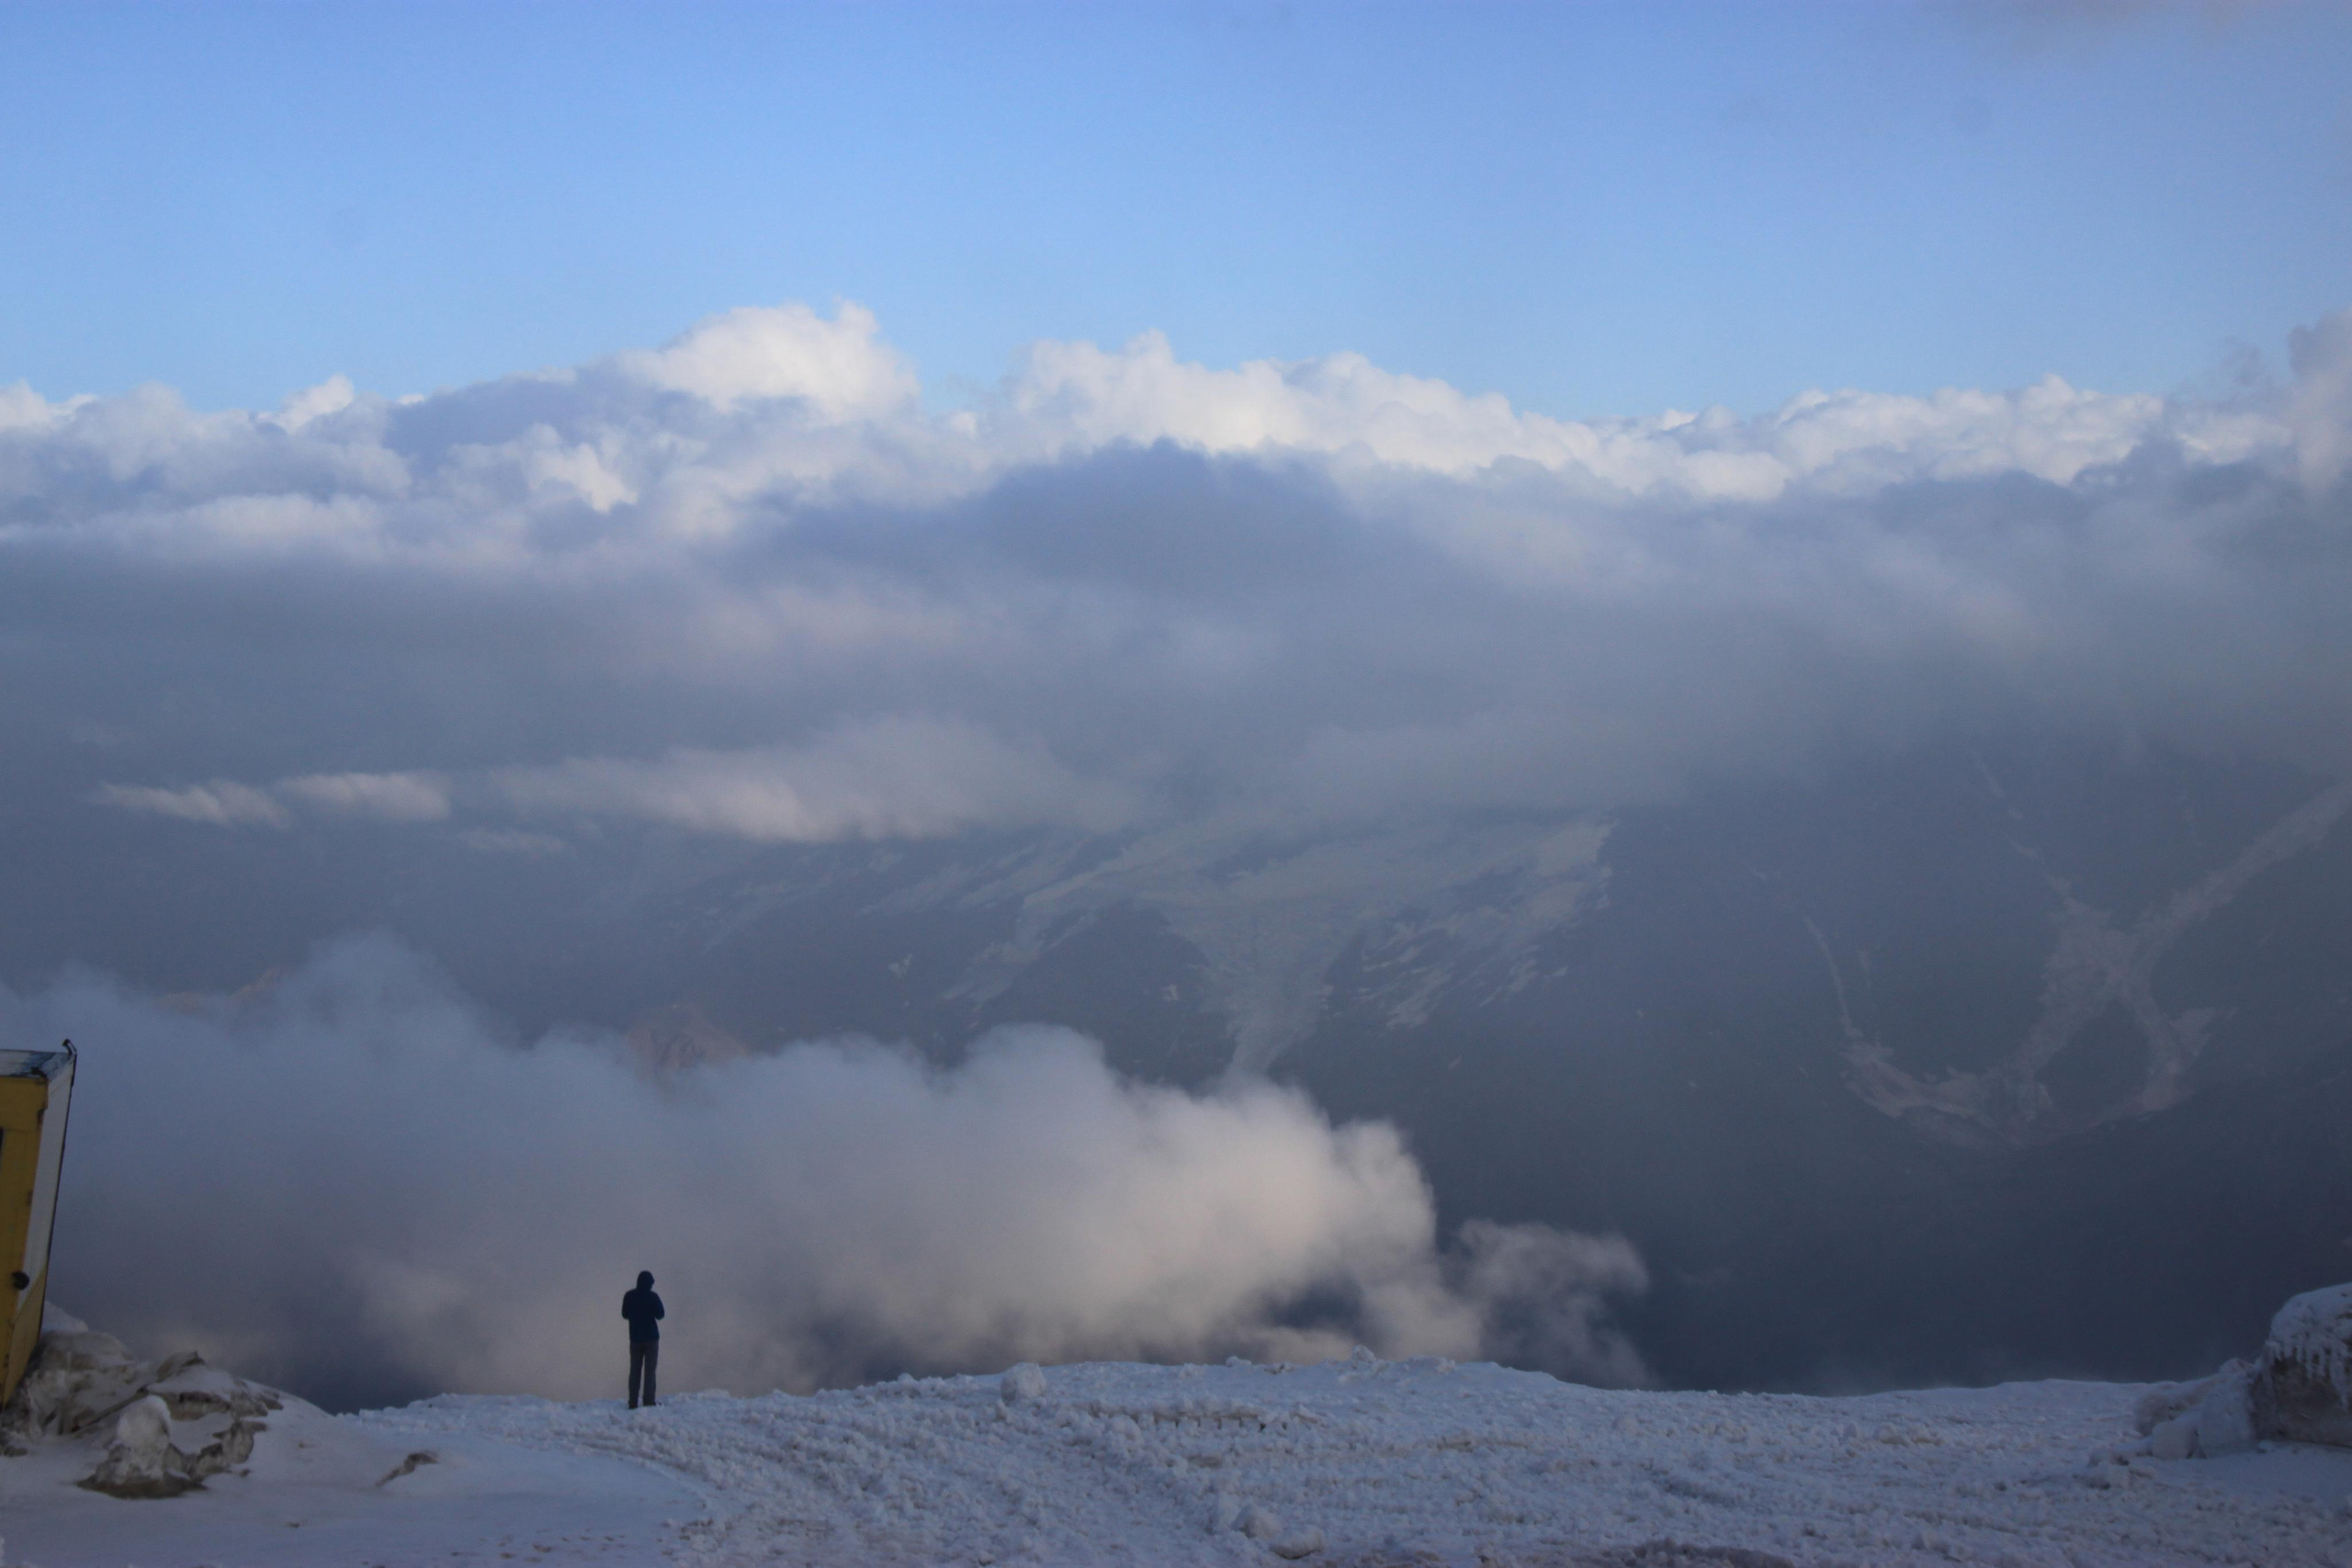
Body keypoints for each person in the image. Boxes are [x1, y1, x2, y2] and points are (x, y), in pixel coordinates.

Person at [622, 1269, 664, 1408]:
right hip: (651, 1338)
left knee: (635, 1371)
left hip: (635, 1338)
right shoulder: (653, 1297)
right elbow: (660, 1315)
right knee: (650, 1372)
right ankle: (648, 1401)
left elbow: (624, 1314)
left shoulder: (629, 1296)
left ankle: (633, 1402)